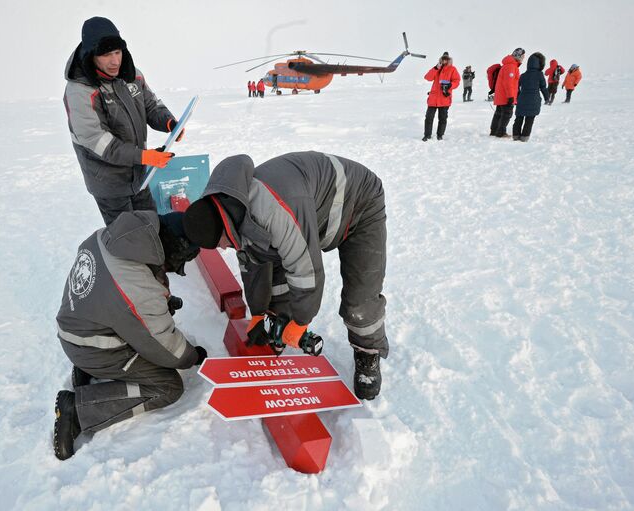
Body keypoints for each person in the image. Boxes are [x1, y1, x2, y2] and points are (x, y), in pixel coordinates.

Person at [181, 152, 388, 400]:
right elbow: (252, 266)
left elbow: (306, 271)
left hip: (358, 203)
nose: (224, 248)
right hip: (312, 215)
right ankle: (278, 325)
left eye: (221, 243)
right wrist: (259, 313)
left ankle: (367, 352)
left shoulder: (271, 210)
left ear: (224, 227)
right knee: (273, 267)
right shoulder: (234, 208)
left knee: (360, 298)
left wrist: (301, 322)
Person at [53, 210, 204, 461]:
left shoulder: (110, 236)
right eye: (172, 265)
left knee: (140, 325)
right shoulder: (136, 286)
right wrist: (192, 355)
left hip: (78, 327)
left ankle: (90, 370)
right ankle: (78, 411)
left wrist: (157, 301)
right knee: (167, 386)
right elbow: (167, 349)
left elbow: (114, 292)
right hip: (92, 347)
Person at [64, 17, 183, 226]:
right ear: (92, 55)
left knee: (151, 226)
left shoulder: (132, 76)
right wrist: (143, 156)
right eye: (106, 54)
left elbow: (151, 106)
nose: (114, 61)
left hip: (138, 175)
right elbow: (97, 140)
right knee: (128, 241)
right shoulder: (80, 91)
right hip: (109, 184)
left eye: (117, 53)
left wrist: (170, 123)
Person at [422, 52, 460, 141]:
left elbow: (457, 81)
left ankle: (440, 135)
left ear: (448, 59)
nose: (444, 60)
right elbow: (427, 77)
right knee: (428, 118)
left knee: (442, 119)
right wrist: (435, 68)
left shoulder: (453, 69)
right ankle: (427, 135)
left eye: (446, 59)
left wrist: (451, 85)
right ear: (441, 59)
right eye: (443, 59)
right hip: (433, 99)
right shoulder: (436, 68)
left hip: (444, 98)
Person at [512, 53, 549, 142]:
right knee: (529, 120)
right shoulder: (539, 75)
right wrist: (547, 98)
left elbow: (516, 87)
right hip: (534, 100)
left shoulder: (523, 75)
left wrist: (517, 96)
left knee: (519, 118)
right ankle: (524, 137)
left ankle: (516, 136)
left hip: (522, 100)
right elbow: (543, 87)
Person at [489, 48, 525, 138]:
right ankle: (501, 132)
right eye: (523, 56)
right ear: (518, 56)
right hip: (506, 95)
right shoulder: (511, 66)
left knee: (499, 113)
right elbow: (508, 82)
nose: (524, 58)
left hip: (501, 95)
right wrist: (510, 96)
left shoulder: (508, 65)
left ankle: (494, 130)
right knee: (507, 114)